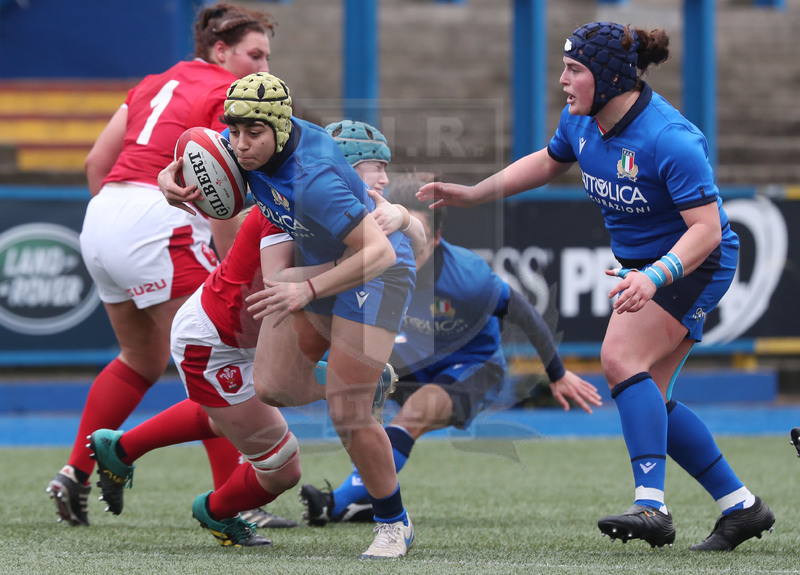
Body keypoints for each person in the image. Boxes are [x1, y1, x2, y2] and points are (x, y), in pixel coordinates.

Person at [418, 21, 775, 552]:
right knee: (648, 395)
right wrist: (473, 193)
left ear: (609, 78)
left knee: (618, 358)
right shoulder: (581, 121)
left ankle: (652, 505)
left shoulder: (670, 138)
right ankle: (740, 506)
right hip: (648, 268)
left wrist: (654, 278)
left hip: (696, 264)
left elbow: (705, 231)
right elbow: (546, 161)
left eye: (575, 70)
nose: (563, 80)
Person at [85, 120, 423, 545]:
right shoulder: (289, 207)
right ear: (338, 169)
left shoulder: (334, 203)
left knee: (232, 409)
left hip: (247, 335)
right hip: (215, 341)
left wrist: (404, 217)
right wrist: (367, 264)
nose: (385, 179)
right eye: (374, 167)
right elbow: (282, 278)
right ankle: (214, 511)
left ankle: (122, 448)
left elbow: (403, 242)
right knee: (282, 462)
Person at [160, 74, 418, 559]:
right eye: (233, 133)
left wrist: (308, 288)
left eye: (251, 134)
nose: (239, 146)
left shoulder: (314, 178)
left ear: (278, 130)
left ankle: (393, 523)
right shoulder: (247, 144)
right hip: (322, 264)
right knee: (274, 384)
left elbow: (380, 253)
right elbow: (195, 155)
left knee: (347, 410)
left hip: (377, 272)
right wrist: (166, 181)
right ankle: (368, 380)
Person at [47, 3, 278, 527]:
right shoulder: (227, 92)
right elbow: (223, 193)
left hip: (103, 214)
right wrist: (233, 268)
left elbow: (95, 164)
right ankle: (238, 501)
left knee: (140, 358)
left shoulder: (156, 81)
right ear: (221, 51)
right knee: (217, 358)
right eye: (255, 55)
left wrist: (118, 228)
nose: (263, 68)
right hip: (159, 222)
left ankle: (74, 472)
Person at [299, 175, 603, 526]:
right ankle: (365, 499)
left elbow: (525, 313)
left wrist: (558, 374)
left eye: (416, 233)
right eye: (396, 231)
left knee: (413, 413)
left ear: (437, 237)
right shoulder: (371, 265)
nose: (405, 243)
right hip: (415, 359)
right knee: (359, 397)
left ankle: (335, 502)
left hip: (474, 366)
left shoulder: (468, 276)